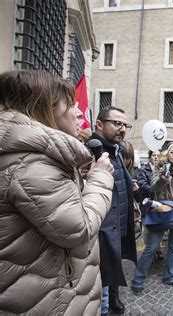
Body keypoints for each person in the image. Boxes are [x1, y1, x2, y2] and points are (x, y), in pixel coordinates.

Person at [0, 70, 114, 314]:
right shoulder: (31, 164)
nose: (79, 112)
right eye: (70, 104)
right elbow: (78, 228)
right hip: (49, 300)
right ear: (45, 108)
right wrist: (100, 177)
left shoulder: (28, 155)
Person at [88, 106, 137, 315]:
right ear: (99, 124)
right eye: (117, 123)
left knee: (114, 264)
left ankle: (114, 298)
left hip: (119, 224)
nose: (123, 129)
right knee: (100, 282)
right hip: (102, 230)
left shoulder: (117, 150)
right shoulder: (91, 151)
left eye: (125, 125)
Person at [131, 143, 173, 292]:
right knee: (151, 247)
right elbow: (153, 190)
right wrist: (162, 180)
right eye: (172, 152)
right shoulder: (159, 168)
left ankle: (169, 277)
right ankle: (137, 280)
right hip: (161, 213)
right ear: (167, 154)